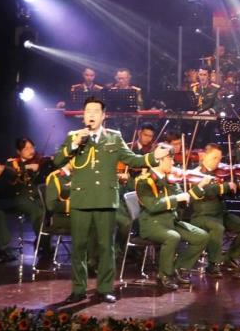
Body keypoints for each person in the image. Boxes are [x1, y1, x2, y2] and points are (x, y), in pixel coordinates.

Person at [54, 96, 170, 303]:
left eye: (95, 111)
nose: (91, 114)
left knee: (106, 246)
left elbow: (133, 159)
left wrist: (154, 157)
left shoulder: (114, 138)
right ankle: (78, 290)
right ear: (83, 115)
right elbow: (57, 160)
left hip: (105, 199)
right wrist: (74, 144)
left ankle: (104, 288)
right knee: (79, 247)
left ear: (103, 116)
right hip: (81, 199)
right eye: (88, 111)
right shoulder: (73, 136)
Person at [133, 148, 210, 292]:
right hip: (152, 224)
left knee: (201, 237)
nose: (173, 162)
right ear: (159, 160)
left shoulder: (172, 179)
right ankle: (164, 275)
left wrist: (199, 186)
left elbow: (183, 202)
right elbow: (153, 206)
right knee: (173, 237)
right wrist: (176, 198)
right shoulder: (144, 181)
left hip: (170, 221)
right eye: (170, 159)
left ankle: (179, 268)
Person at [188, 144, 240, 276]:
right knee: (217, 228)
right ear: (203, 156)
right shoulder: (195, 174)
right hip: (202, 215)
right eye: (214, 158)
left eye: (219, 159)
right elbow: (207, 192)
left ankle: (230, 258)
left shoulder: (220, 174)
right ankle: (213, 264)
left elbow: (233, 193)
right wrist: (225, 186)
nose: (217, 162)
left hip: (220, 214)